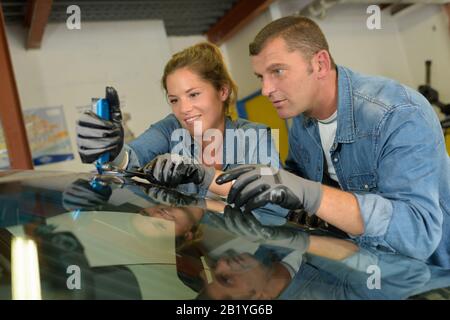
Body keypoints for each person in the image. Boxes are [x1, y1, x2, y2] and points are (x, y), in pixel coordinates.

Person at [216, 16, 450, 268]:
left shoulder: (397, 113)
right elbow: (296, 187)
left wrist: (310, 194)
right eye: (261, 76)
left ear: (320, 64)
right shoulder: (303, 124)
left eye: (277, 71)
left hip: (434, 276)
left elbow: (417, 232)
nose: (265, 89)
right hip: (369, 267)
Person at [76, 42, 279, 198]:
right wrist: (114, 150)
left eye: (194, 95)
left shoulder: (255, 136)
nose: (183, 109)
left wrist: (200, 174)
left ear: (223, 91)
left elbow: (272, 197)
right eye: (174, 100)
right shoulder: (170, 129)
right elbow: (132, 157)